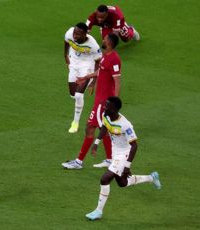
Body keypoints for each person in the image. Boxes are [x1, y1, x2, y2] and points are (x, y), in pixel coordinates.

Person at [85, 96, 161, 220]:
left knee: (105, 179)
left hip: (125, 153)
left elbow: (134, 146)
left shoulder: (125, 125)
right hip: (115, 152)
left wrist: (127, 166)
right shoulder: (107, 115)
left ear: (114, 109)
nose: (105, 107)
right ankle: (151, 178)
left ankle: (98, 211)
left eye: (107, 105)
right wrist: (96, 143)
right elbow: (105, 126)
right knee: (123, 183)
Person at [62, 33, 121, 169]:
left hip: (104, 101)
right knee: (101, 128)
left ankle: (79, 162)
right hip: (99, 100)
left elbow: (117, 79)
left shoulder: (114, 59)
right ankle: (109, 159)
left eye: (105, 39)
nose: (103, 40)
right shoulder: (106, 56)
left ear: (110, 43)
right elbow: (101, 72)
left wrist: (114, 100)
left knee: (91, 127)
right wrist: (86, 77)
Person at [64, 22, 102, 133]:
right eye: (75, 33)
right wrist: (65, 56)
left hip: (87, 66)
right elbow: (66, 42)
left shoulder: (93, 45)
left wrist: (93, 82)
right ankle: (78, 98)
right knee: (73, 95)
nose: (75, 36)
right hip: (74, 63)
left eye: (78, 34)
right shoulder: (69, 33)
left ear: (85, 34)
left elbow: (98, 62)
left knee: (79, 95)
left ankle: (75, 123)